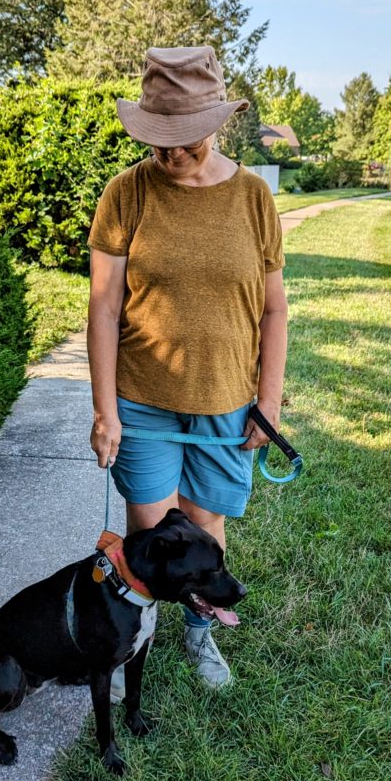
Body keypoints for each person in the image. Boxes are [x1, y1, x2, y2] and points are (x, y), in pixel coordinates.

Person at [87, 45, 288, 695]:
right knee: (152, 541)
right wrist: (104, 409)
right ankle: (131, 642)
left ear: (217, 123)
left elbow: (273, 312)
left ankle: (200, 638)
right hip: (142, 402)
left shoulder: (253, 198)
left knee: (204, 531)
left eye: (184, 142)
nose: (170, 155)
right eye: (157, 141)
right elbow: (103, 305)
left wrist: (269, 402)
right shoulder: (126, 193)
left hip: (226, 405)